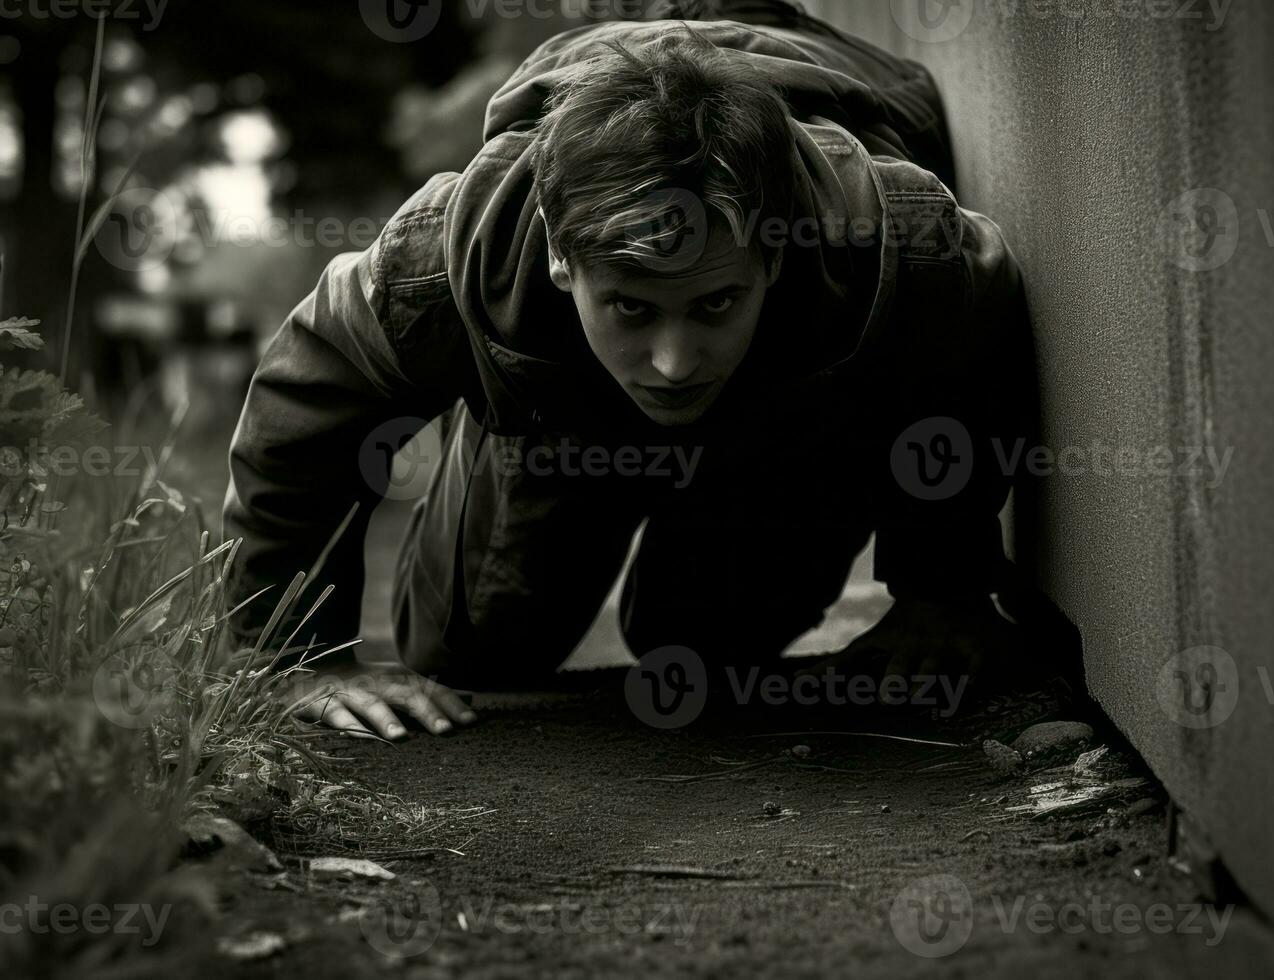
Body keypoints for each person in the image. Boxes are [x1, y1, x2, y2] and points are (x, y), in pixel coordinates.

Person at [223, 0, 1037, 740]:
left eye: (714, 304)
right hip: (557, 407)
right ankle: (523, 429)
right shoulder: (441, 266)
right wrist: (291, 657)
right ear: (556, 256)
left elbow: (968, 350)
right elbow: (302, 403)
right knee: (470, 648)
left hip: (783, 415)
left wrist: (944, 588)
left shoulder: (895, 246)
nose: (674, 363)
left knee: (701, 652)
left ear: (773, 251)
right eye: (632, 309)